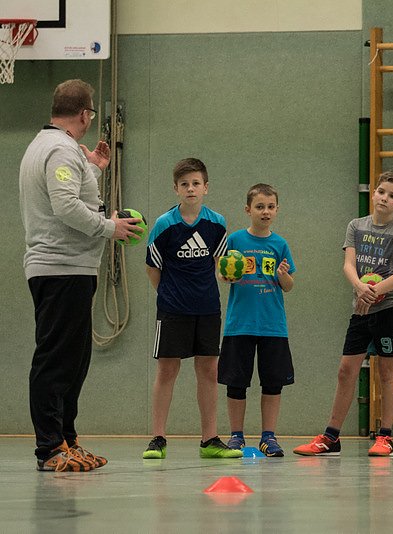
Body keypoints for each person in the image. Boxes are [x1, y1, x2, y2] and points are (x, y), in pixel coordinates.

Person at [19, 79, 143, 472]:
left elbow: (72, 194)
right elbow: (66, 207)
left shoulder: (59, 148)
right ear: (84, 114)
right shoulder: (58, 149)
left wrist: (92, 168)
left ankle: (66, 440)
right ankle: (50, 447)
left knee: (74, 360)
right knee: (56, 360)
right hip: (60, 270)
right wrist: (111, 229)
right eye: (91, 114)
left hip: (70, 268)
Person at [293, 171, 393, 457]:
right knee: (346, 370)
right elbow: (348, 264)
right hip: (361, 308)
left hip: (390, 308)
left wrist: (374, 292)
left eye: (392, 195)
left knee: (387, 372)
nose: (385, 198)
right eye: (382, 192)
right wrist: (361, 288)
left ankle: (385, 436)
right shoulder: (356, 226)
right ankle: (331, 437)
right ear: (373, 194)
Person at [142, 158, 242, 459]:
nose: (190, 189)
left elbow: (220, 265)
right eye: (184, 184)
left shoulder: (217, 223)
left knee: (209, 370)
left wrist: (229, 275)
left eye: (196, 183)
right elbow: (152, 268)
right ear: (176, 189)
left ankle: (210, 439)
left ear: (206, 188)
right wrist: (170, 296)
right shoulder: (164, 225)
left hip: (208, 309)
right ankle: (157, 438)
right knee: (168, 369)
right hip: (173, 310)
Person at [218, 183, 296, 457]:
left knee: (272, 383)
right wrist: (230, 276)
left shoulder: (280, 244)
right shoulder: (235, 241)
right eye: (260, 206)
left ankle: (268, 437)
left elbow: (288, 285)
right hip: (239, 325)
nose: (265, 212)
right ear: (248, 209)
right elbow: (223, 275)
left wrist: (283, 274)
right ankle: (236, 436)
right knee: (236, 382)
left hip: (273, 326)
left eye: (271, 207)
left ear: (277, 210)